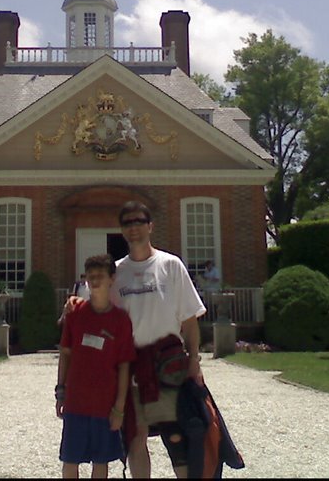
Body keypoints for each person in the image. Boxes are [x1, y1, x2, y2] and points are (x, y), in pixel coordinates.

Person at [65, 201, 206, 479]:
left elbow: (189, 319)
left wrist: (195, 361)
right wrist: (73, 302)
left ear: (150, 226)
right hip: (130, 366)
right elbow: (94, 305)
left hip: (168, 364)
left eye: (139, 221)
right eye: (128, 223)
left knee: (176, 435)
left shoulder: (170, 265)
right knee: (135, 437)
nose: (134, 227)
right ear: (122, 230)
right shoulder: (116, 273)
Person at [56, 254, 135, 479]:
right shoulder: (76, 314)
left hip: (105, 405)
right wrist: (60, 391)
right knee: (70, 460)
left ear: (112, 279)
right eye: (90, 276)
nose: (95, 280)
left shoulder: (120, 320)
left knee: (101, 462)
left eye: (100, 275)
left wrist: (119, 407)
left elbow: (124, 365)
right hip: (75, 402)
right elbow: (66, 354)